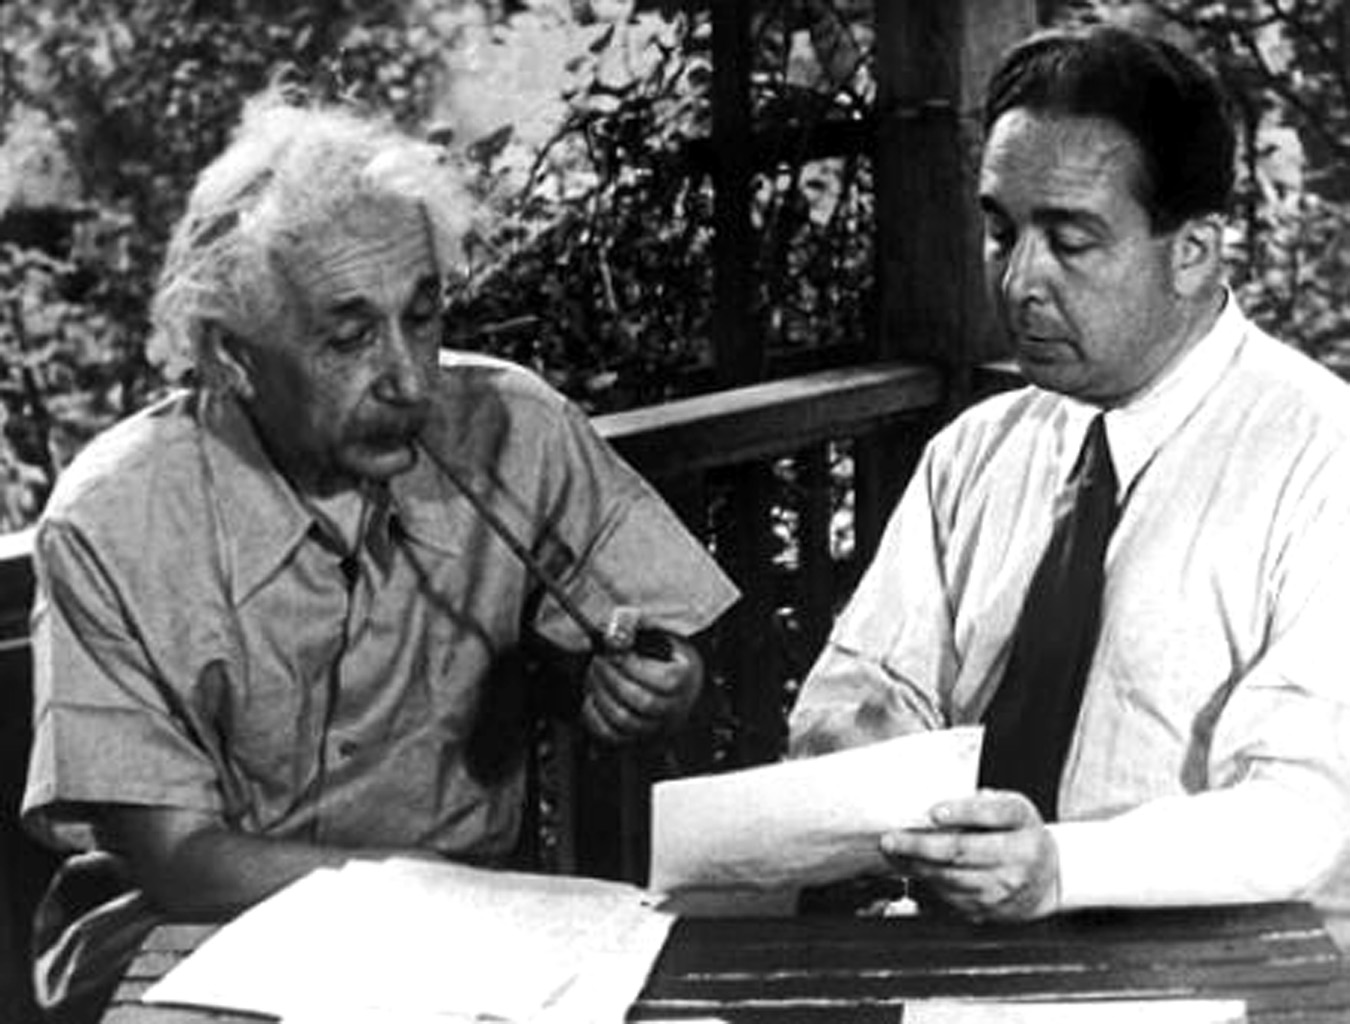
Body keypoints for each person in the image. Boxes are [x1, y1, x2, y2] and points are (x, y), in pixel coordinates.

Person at [21, 90, 739, 1019]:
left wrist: (654, 684)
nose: (408, 379)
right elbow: (179, 858)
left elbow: (658, 647)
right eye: (351, 336)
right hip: (190, 939)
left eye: (425, 316)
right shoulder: (114, 519)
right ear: (231, 357)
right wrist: (446, 896)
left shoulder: (514, 428)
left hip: (465, 947)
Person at [788, 24, 1350, 943]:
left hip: (1226, 968)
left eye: (1071, 241)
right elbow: (855, 691)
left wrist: (1060, 867)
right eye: (1001, 231)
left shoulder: (1325, 461)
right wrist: (867, 757)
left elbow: (1307, 811)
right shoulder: (976, 452)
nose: (1019, 281)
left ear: (1194, 251)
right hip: (963, 952)